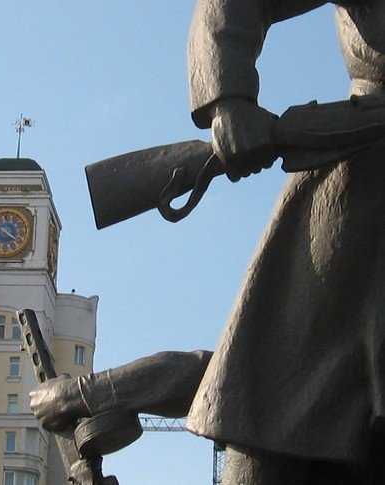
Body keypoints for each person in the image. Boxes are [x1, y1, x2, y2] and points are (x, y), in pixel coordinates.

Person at [31, 1, 385, 483]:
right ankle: (98, 393)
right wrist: (230, 101)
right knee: (279, 402)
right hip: (363, 180)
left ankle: (100, 392)